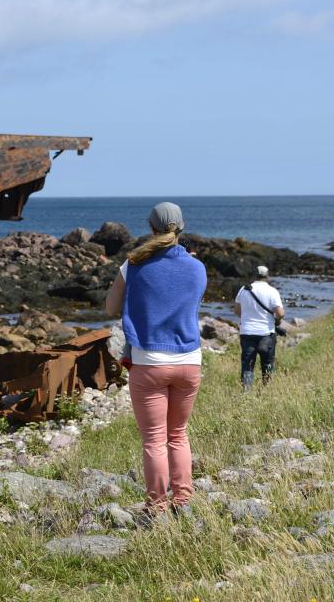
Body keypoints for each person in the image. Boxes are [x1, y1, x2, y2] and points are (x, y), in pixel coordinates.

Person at [105, 202, 207, 517]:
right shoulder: (197, 268)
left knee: (154, 440)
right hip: (189, 360)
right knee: (178, 434)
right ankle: (183, 502)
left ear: (151, 228)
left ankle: (158, 506)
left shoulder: (132, 265)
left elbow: (111, 308)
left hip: (149, 361)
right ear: (181, 227)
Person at [233, 265, 284, 388]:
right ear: (267, 277)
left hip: (247, 332)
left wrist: (246, 319)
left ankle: (247, 391)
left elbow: (237, 310)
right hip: (266, 333)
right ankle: (266, 390)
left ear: (254, 276)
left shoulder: (244, 290)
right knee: (267, 363)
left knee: (248, 364)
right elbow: (280, 313)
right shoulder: (272, 291)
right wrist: (276, 320)